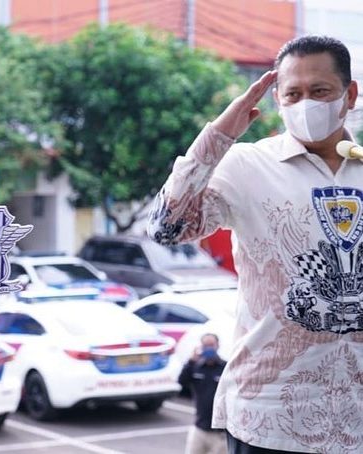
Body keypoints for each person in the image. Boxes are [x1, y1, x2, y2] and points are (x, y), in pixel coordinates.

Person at [147, 34, 363, 454]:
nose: (306, 104)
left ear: (349, 94)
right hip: (268, 419)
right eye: (293, 94)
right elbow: (165, 228)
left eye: (320, 91)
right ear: (278, 99)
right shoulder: (247, 164)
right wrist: (219, 136)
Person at [180, 333, 227, 454]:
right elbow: (181, 382)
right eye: (206, 345)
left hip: (220, 432)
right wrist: (191, 361)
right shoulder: (196, 367)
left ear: (218, 346)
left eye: (211, 345)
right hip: (199, 428)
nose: (209, 348)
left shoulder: (225, 368)